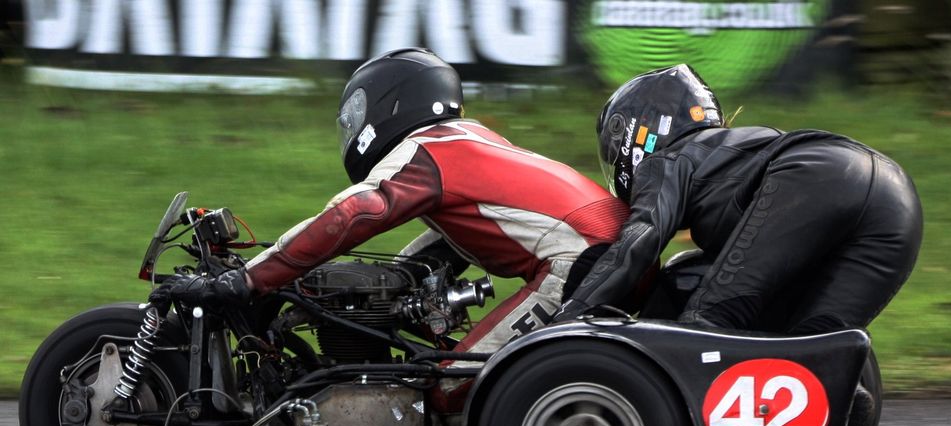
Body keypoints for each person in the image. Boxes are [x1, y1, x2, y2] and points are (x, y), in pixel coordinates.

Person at [149, 48, 629, 407]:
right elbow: (458, 240)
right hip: (609, 249)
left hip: (584, 260)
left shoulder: (425, 150)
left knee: (447, 385)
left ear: (390, 105)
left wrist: (249, 278)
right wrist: (377, 288)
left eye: (358, 112)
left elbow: (353, 214)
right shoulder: (469, 139)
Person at [553, 65, 923, 334]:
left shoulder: (667, 159)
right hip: (897, 201)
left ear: (637, 130)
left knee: (706, 320)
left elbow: (641, 241)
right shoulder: (727, 146)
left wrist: (570, 315)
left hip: (815, 175)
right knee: (815, 348)